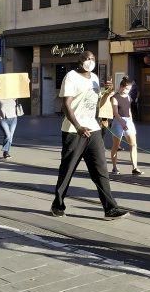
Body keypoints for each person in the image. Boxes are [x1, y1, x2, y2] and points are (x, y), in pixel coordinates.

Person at [50, 51, 128, 220]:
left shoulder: (94, 78)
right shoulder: (71, 77)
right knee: (67, 169)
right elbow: (66, 104)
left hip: (93, 129)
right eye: (87, 58)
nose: (90, 61)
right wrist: (77, 126)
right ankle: (58, 204)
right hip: (73, 131)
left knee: (101, 170)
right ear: (79, 60)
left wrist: (107, 92)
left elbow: (96, 103)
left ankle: (110, 208)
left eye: (92, 58)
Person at [109, 77, 142, 176]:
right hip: (118, 121)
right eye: (127, 89)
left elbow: (129, 110)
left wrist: (130, 121)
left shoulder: (128, 97)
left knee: (133, 144)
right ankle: (114, 167)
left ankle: (135, 167)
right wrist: (122, 122)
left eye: (129, 89)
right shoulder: (115, 97)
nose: (128, 91)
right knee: (116, 146)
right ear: (121, 87)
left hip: (128, 120)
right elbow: (115, 112)